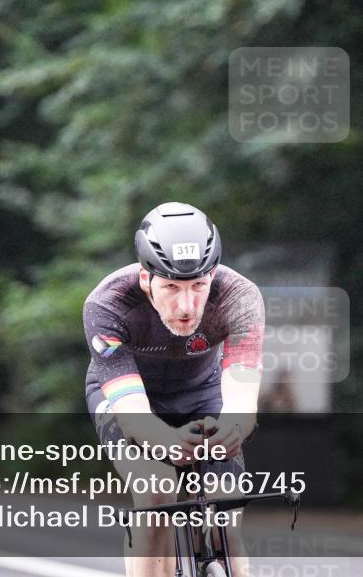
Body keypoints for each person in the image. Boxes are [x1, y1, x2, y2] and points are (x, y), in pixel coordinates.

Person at [84, 202, 264, 577]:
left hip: (202, 389)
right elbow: (136, 417)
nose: (186, 306)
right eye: (171, 287)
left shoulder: (240, 297)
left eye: (199, 285)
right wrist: (164, 441)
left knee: (226, 502)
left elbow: (242, 400)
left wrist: (232, 428)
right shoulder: (107, 304)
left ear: (213, 274)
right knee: (156, 490)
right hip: (127, 396)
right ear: (146, 278)